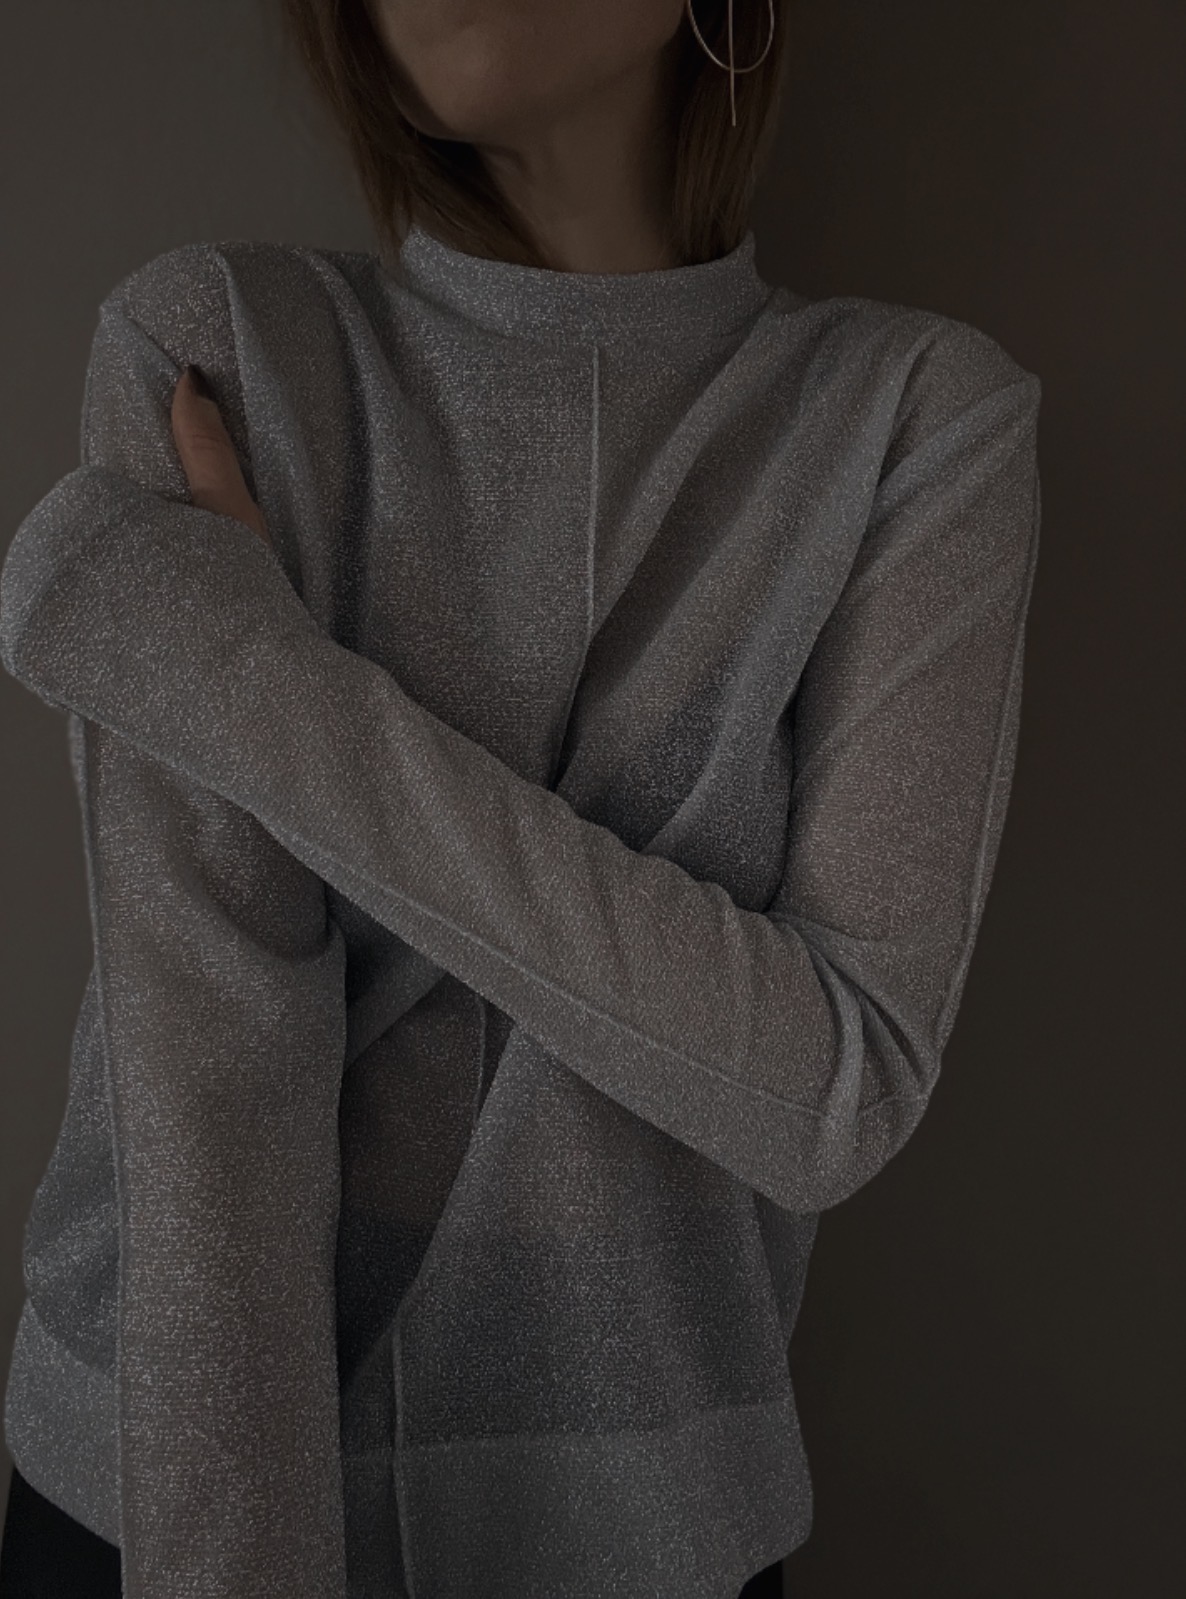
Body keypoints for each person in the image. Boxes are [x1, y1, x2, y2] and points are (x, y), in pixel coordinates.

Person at [0, 1, 1041, 1596]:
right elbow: (209, 1084)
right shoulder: (224, 345)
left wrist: (245, 683)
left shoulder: (908, 416)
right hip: (159, 1495)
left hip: (643, 1538)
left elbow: (835, 1085)